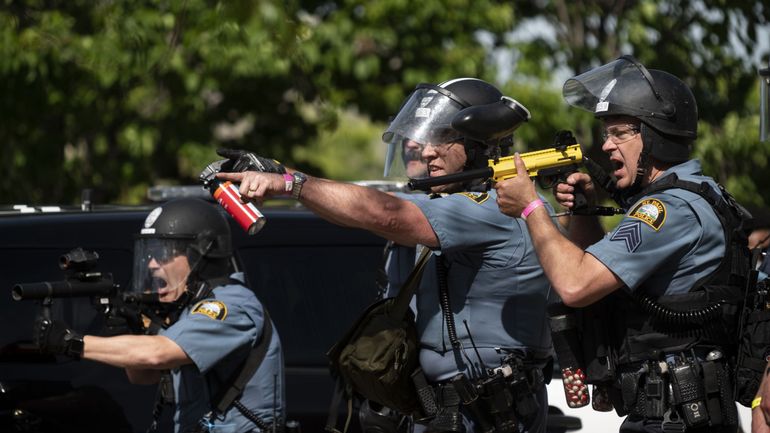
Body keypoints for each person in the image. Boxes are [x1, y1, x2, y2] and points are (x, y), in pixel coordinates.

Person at [216, 78, 555, 433]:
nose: (426, 152)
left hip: (491, 415)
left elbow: (388, 213)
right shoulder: (450, 209)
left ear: (478, 145)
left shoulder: (499, 209)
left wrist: (292, 183)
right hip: (442, 412)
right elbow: (369, 209)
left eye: (443, 139)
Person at [494, 55, 752, 433]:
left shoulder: (667, 209)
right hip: (671, 412)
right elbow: (604, 277)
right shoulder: (695, 195)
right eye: (606, 134)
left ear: (654, 135)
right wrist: (583, 213)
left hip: (675, 416)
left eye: (620, 133)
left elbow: (576, 284)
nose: (607, 146)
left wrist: (532, 206)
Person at [32, 197, 285, 433]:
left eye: (165, 252)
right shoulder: (188, 309)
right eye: (151, 253)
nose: (152, 264)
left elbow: (156, 354)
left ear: (200, 254)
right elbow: (142, 375)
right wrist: (124, 327)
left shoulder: (230, 306)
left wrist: (71, 343)